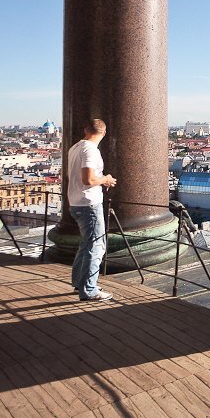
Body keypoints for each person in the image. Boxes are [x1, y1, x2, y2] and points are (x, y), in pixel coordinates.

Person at [66, 118, 118, 301]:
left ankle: (80, 282)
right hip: (89, 203)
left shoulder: (75, 148)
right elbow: (88, 179)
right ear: (104, 133)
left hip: (75, 202)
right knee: (96, 246)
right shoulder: (90, 150)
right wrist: (106, 179)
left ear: (85, 130)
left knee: (86, 244)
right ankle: (89, 289)